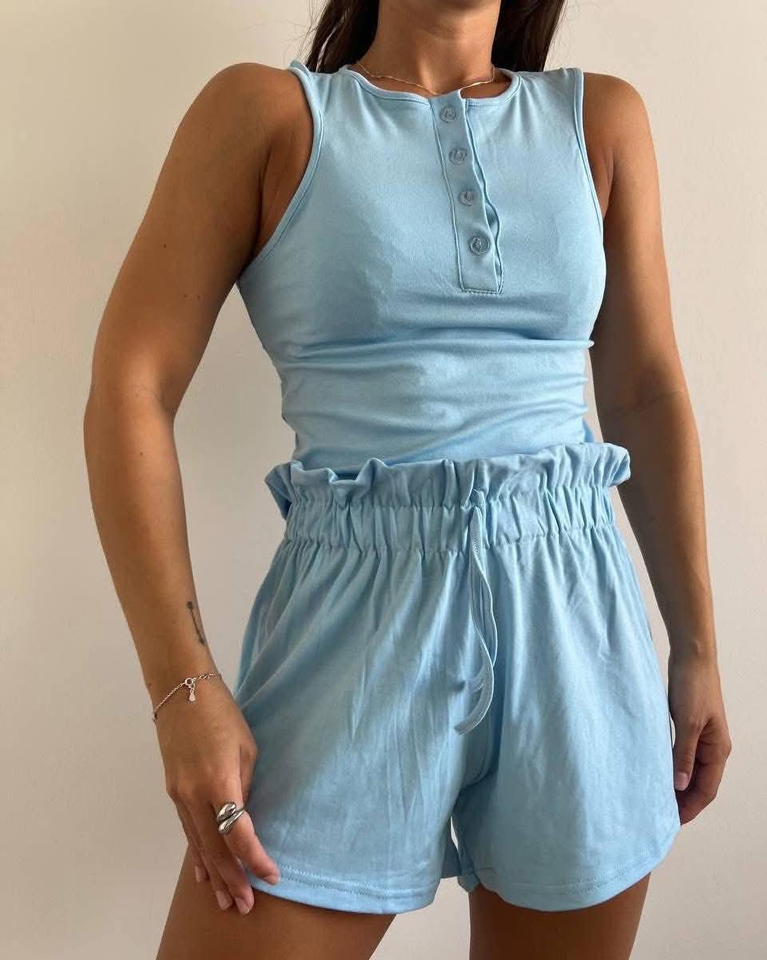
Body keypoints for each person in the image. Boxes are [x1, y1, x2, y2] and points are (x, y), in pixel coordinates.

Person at [83, 2, 732, 958]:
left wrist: (696, 647)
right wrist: (181, 687)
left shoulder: (600, 120)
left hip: (576, 618)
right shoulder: (265, 116)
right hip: (356, 622)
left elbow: (644, 390)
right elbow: (130, 389)